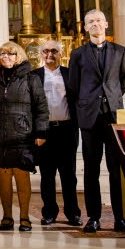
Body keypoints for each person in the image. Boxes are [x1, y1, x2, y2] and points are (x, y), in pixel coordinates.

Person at [69, 9, 125, 234]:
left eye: (99, 20)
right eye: (91, 22)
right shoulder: (78, 54)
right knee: (91, 169)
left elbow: (123, 82)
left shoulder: (120, 51)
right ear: (86, 27)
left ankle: (120, 218)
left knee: (116, 168)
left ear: (106, 24)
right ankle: (94, 217)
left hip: (113, 115)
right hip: (90, 118)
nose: (96, 24)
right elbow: (74, 85)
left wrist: (110, 98)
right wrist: (88, 104)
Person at [0, 41, 48, 233]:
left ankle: (25, 217)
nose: (5, 57)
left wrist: (41, 132)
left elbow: (41, 107)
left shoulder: (31, 79)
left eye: (9, 54)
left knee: (21, 175)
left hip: (22, 134)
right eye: (2, 53)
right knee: (3, 175)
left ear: (18, 56)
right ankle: (7, 216)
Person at [32, 40, 82, 226]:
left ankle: (73, 213)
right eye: (45, 51)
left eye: (54, 50)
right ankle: (49, 213)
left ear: (61, 53)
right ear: (41, 54)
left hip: (67, 129)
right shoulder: (34, 76)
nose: (49, 54)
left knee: (69, 175)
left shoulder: (70, 74)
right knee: (47, 175)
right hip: (45, 131)